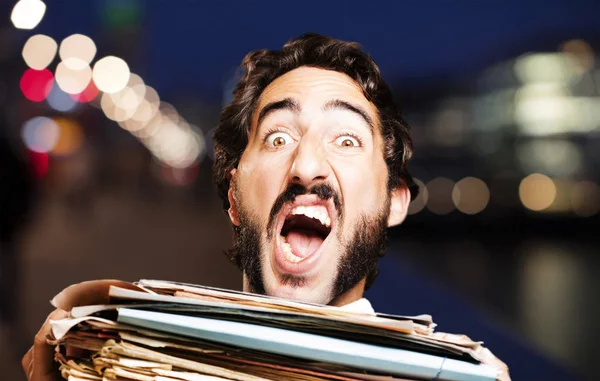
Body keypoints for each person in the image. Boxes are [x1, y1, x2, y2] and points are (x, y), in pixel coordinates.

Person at [22, 33, 510, 380]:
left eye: (346, 140)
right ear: (234, 197)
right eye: (278, 137)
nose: (308, 165)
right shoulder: (119, 359)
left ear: (391, 202)